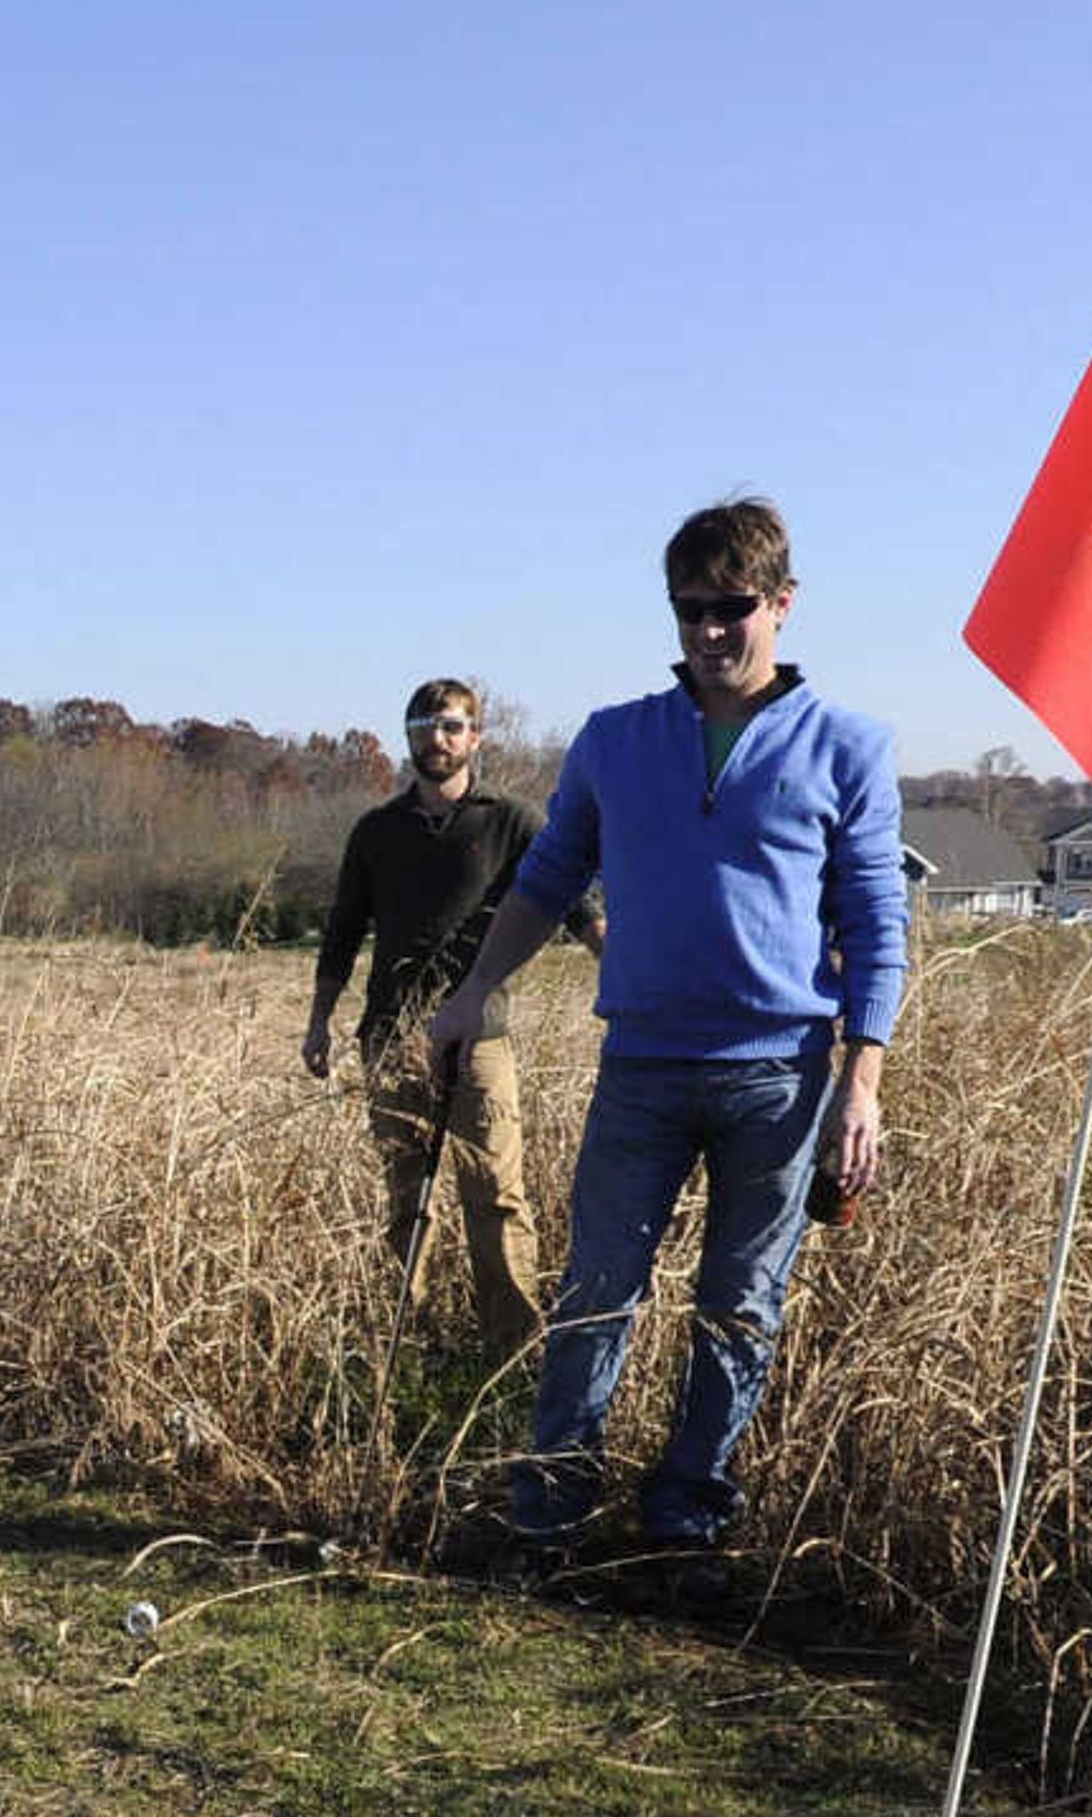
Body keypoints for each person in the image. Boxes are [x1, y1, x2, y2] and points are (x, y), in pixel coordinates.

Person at [422, 499, 905, 1596]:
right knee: (598, 1288)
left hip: (781, 1078)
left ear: (781, 604)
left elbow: (878, 918)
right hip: (641, 1064)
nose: (709, 631)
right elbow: (547, 880)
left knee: (742, 1305)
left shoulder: (849, 748)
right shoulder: (615, 739)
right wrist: (472, 991)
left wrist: (861, 1079)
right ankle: (547, 1515)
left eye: (731, 608)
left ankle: (685, 1519)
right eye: (688, 611)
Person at [300, 680, 601, 1361]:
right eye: (423, 726)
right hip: (390, 1038)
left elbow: (575, 904)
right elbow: (344, 930)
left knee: (495, 1193)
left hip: (478, 1038)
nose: (436, 739)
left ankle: (512, 1354)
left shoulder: (513, 822)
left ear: (476, 737)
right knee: (408, 1195)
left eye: (451, 726)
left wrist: (622, 965)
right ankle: (411, 1345)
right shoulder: (377, 831)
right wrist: (320, 1021)